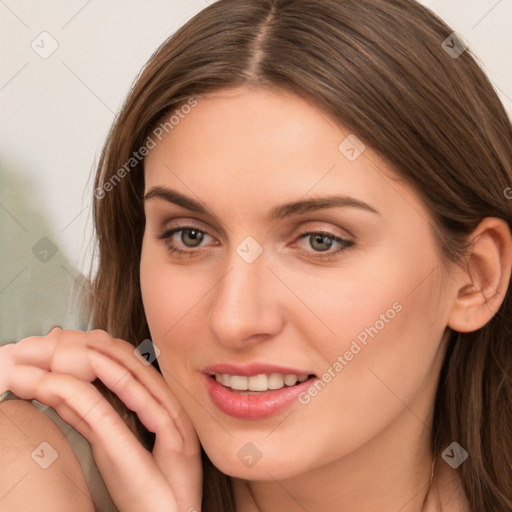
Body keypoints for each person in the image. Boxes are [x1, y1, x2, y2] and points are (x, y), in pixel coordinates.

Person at [1, 0, 512, 510]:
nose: (234, 319)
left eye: (320, 240)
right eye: (190, 236)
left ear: (475, 277)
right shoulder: (32, 470)